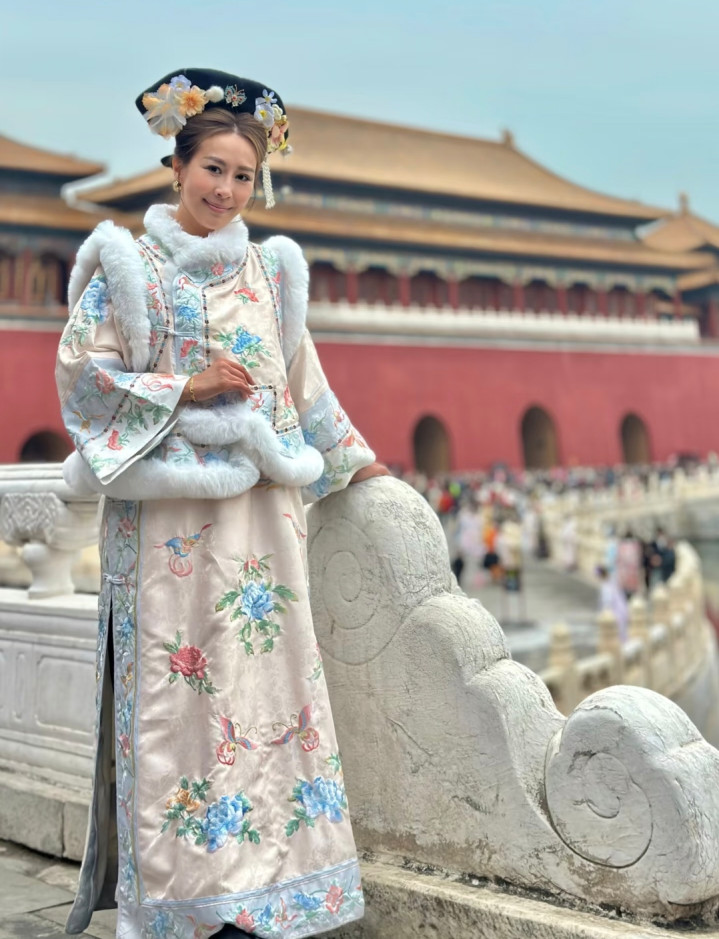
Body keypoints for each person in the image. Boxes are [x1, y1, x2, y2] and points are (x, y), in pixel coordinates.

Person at [56, 69, 388, 939]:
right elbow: (82, 380)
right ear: (176, 166)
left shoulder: (271, 274)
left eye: (243, 175)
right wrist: (185, 387)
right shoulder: (127, 269)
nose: (226, 190)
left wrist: (359, 465)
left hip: (262, 528)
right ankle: (187, 900)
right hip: (167, 526)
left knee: (266, 699)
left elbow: (303, 384)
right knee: (180, 702)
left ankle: (267, 890)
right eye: (212, 169)